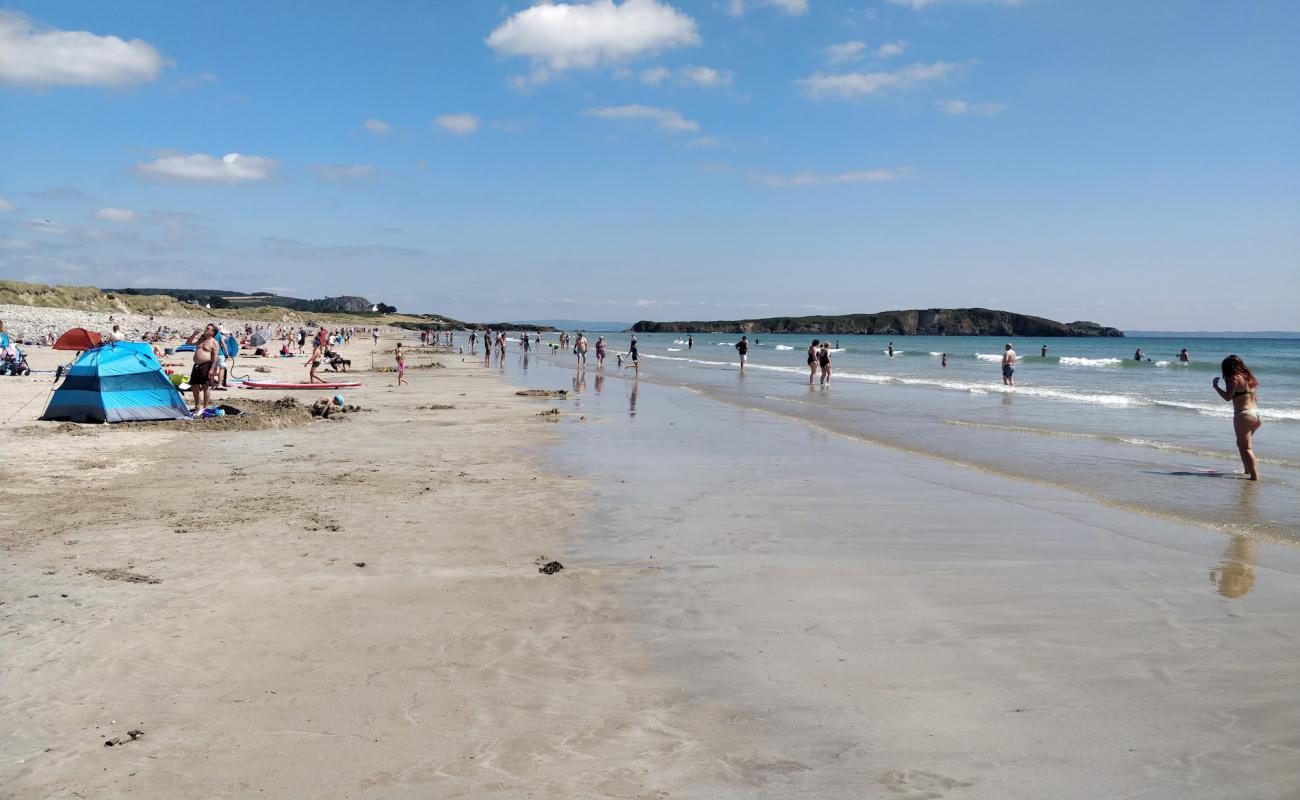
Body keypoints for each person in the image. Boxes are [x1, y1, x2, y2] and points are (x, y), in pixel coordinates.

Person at [1212, 355, 1262, 480]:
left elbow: (1228, 397)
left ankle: (1255, 477)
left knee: (1246, 447)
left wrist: (1216, 387)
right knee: (1241, 444)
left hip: (1243, 415)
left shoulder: (1234, 378)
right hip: (1256, 414)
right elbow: (1254, 398)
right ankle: (1247, 470)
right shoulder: (1249, 378)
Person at [188, 324, 221, 411]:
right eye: (206, 328)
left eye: (208, 328)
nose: (205, 329)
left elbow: (215, 357)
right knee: (194, 385)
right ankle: (197, 406)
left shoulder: (214, 342)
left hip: (206, 365)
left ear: (213, 332)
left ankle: (205, 407)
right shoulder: (201, 338)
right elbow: (188, 343)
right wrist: (194, 334)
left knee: (205, 386)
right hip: (196, 365)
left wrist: (212, 369)